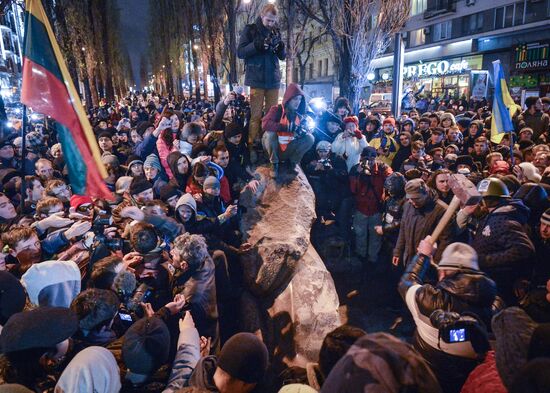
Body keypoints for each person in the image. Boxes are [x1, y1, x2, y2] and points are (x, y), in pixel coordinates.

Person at [398, 239, 497, 392]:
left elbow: (406, 283)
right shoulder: (495, 307)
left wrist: (422, 256)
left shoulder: (428, 300)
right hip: (463, 381)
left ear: (442, 272)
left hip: (425, 375)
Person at [458, 177, 535, 304]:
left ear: (484, 200)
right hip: (490, 281)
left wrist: (485, 260)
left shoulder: (504, 220)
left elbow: (524, 250)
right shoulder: (493, 216)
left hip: (500, 283)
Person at [237, 3, 285, 147]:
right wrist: (256, 45)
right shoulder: (250, 30)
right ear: (262, 16)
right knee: (255, 116)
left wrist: (281, 48)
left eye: (273, 21)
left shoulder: (275, 31)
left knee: (272, 117)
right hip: (256, 80)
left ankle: (268, 145)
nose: (270, 23)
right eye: (268, 20)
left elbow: (282, 56)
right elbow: (240, 52)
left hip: (273, 80)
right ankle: (252, 145)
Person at [393, 178, 453, 267]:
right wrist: (397, 251)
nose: (412, 201)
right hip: (409, 260)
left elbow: (445, 241)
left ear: (426, 194)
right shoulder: (408, 205)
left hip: (427, 265)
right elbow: (403, 229)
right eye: (410, 198)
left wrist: (434, 263)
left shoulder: (441, 211)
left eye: (416, 198)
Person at [349, 146, 392, 267]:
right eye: (366, 158)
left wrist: (383, 171)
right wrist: (357, 174)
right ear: (361, 157)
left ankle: (373, 259)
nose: (369, 161)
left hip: (376, 209)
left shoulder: (382, 168)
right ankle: (361, 256)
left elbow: (392, 180)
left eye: (372, 158)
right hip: (360, 208)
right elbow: (353, 190)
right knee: (360, 234)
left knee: (375, 236)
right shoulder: (355, 169)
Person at [261, 83, 315, 177]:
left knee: (310, 138)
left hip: (288, 147)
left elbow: (303, 133)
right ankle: (274, 164)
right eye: (295, 99)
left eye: (299, 99)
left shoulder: (300, 115)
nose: (297, 102)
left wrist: (304, 131)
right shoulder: (277, 109)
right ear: (288, 99)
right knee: (269, 134)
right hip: (275, 148)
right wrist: (286, 128)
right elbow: (265, 124)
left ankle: (293, 163)